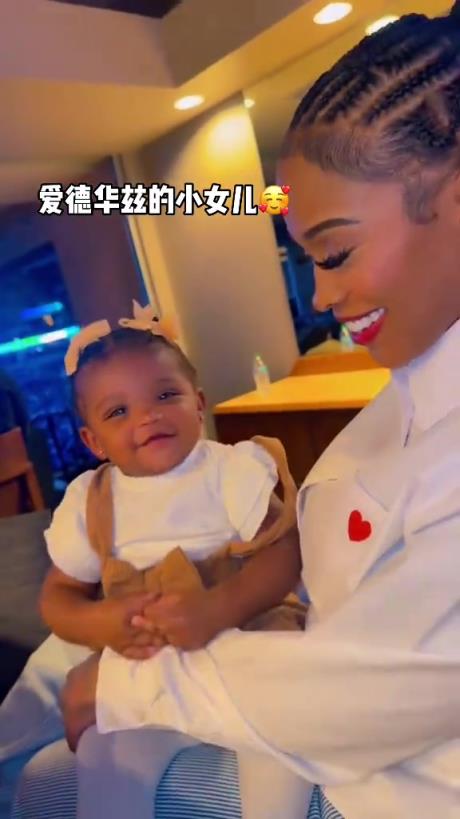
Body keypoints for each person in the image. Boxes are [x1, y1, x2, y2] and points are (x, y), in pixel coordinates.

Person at [62, 5, 460, 819]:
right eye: (309, 261)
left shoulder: (245, 466)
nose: (319, 295)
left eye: (336, 253)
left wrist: (133, 678)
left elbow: (383, 682)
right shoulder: (406, 395)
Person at [39, 305, 313, 819]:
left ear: (199, 403)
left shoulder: (228, 469)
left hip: (241, 638)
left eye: (166, 396)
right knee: (105, 753)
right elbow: (58, 595)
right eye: (118, 412)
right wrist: (97, 621)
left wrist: (219, 607)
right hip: (150, 661)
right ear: (92, 441)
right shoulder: (90, 500)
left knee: (281, 740)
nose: (147, 417)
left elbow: (286, 551)